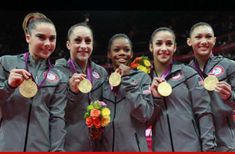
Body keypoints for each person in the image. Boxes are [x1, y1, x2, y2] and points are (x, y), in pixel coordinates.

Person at [0, 12, 67, 151]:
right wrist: (9, 86)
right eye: (41, 37)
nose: (47, 43)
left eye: (52, 38)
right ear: (28, 37)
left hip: (40, 148)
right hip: (7, 146)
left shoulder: (59, 77)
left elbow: (57, 119)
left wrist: (57, 151)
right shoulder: (5, 63)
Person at [148, 27, 216, 151]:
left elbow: (204, 113)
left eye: (169, 44)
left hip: (191, 148)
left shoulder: (189, 74)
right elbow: (145, 120)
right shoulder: (145, 81)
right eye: (158, 43)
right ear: (151, 47)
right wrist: (156, 99)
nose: (164, 48)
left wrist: (209, 149)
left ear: (174, 48)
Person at [55, 22, 108, 151]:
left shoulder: (101, 72)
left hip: (97, 144)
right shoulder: (58, 72)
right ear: (68, 44)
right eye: (78, 40)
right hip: (70, 145)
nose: (83, 46)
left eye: (88, 41)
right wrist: (72, 92)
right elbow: (55, 113)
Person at [96, 33, 154, 152]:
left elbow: (144, 114)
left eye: (126, 50)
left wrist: (127, 80)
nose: (122, 53)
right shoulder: (104, 83)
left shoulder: (143, 78)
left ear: (131, 54)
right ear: (109, 54)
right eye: (116, 50)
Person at [187, 22, 235, 151]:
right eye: (198, 37)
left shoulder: (229, 66)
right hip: (196, 144)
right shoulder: (185, 74)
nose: (204, 41)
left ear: (214, 40)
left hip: (227, 143)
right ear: (189, 41)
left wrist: (231, 95)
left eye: (208, 36)